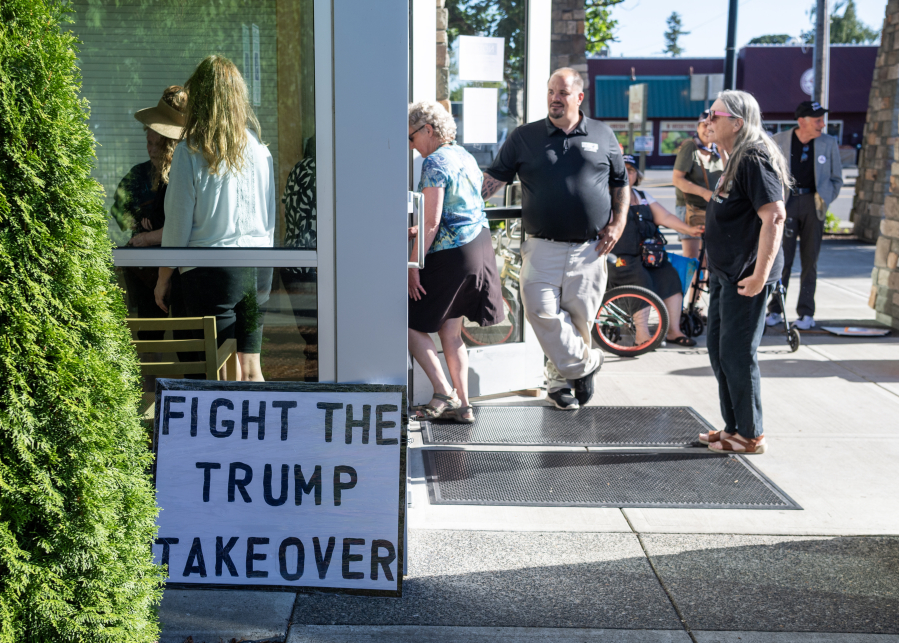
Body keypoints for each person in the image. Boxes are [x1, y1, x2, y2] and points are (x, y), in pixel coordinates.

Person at [482, 68, 629, 410]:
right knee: (541, 311)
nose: (554, 98)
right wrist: (459, 203)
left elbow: (620, 183)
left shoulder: (604, 135)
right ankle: (586, 363)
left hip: (590, 248)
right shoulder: (525, 137)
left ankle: (559, 383)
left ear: (579, 97)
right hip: (541, 246)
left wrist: (618, 223)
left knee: (579, 322)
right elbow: (493, 181)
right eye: (550, 91)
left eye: (562, 92)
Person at [155, 55, 276, 382]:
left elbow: (178, 225)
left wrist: (163, 278)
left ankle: (229, 433)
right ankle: (261, 431)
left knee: (222, 372)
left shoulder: (191, 150)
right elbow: (268, 220)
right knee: (251, 368)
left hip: (211, 272)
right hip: (259, 268)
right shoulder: (260, 150)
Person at [700, 90, 790, 455]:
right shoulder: (734, 155)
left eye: (714, 114)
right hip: (727, 272)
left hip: (747, 275)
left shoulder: (754, 157)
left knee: (737, 353)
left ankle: (751, 435)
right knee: (719, 350)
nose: (708, 119)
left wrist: (759, 275)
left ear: (736, 122)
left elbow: (775, 216)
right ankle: (733, 425)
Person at [407, 101, 505, 423]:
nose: (411, 146)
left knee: (407, 324)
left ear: (428, 130)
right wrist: (420, 228)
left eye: (411, 137)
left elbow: (433, 223)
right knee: (451, 330)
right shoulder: (465, 156)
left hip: (451, 254)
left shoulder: (434, 162)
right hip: (479, 248)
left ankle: (443, 391)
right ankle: (464, 405)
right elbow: (456, 211)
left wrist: (412, 265)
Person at [114, 86, 188, 343]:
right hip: (146, 271)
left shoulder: (183, 173)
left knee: (184, 337)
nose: (152, 150)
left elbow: (183, 226)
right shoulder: (137, 175)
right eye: (149, 143)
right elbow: (119, 211)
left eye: (159, 145)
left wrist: (152, 233)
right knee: (149, 334)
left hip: (178, 268)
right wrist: (136, 223)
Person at [765, 100, 843, 330]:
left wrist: (826, 197)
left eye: (822, 119)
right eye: (817, 119)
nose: (822, 124)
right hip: (786, 204)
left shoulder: (828, 143)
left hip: (813, 204)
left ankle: (806, 313)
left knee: (811, 260)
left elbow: (837, 178)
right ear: (802, 121)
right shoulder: (779, 141)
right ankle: (776, 310)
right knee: (782, 260)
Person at [611, 155, 704, 347]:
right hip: (620, 257)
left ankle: (673, 331)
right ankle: (643, 336)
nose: (627, 173)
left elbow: (666, 217)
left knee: (671, 278)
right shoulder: (607, 197)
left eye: (631, 170)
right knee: (641, 281)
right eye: (623, 169)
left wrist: (689, 230)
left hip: (649, 256)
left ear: (637, 175)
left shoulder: (643, 197)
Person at [672, 110, 725, 261]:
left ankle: (704, 285)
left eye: (712, 125)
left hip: (711, 209)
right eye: (704, 125)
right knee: (692, 257)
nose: (708, 129)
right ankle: (692, 285)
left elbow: (729, 174)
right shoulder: (691, 147)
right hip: (690, 209)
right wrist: (704, 193)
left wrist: (723, 150)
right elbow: (677, 179)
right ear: (698, 127)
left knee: (709, 257)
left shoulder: (718, 150)